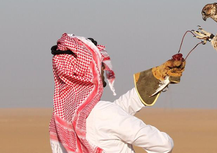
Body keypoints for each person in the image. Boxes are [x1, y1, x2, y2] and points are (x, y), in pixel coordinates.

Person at [49, 33, 185, 153]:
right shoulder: (104, 113)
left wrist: (157, 80)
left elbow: (114, 114)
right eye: (99, 63)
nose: (103, 67)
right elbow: (163, 145)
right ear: (88, 70)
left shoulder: (61, 118)